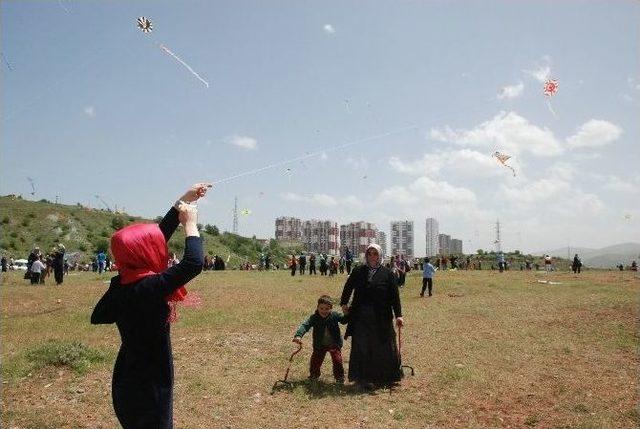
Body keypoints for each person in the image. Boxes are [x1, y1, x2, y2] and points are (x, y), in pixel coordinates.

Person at [90, 183, 209, 429]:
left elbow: (154, 238)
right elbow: (193, 263)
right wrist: (190, 224)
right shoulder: (148, 288)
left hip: (127, 381)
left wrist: (183, 201)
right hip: (150, 387)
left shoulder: (124, 284)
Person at [340, 243, 403, 389]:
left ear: (380, 255)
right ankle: (362, 377)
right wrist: (344, 303)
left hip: (381, 316)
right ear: (366, 255)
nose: (372, 256)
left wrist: (399, 315)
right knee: (362, 345)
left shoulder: (388, 274)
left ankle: (383, 377)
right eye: (370, 253)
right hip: (360, 315)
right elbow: (348, 287)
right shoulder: (358, 271)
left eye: (375, 254)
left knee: (381, 345)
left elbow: (395, 296)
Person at [293, 295, 347, 383]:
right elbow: (305, 325)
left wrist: (346, 314)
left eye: (327, 308)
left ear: (331, 308)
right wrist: (298, 335)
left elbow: (344, 321)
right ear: (317, 307)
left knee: (337, 360)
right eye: (321, 308)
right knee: (315, 361)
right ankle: (314, 376)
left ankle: (340, 377)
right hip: (320, 344)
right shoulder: (314, 318)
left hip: (334, 343)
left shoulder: (334, 315)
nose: (324, 311)